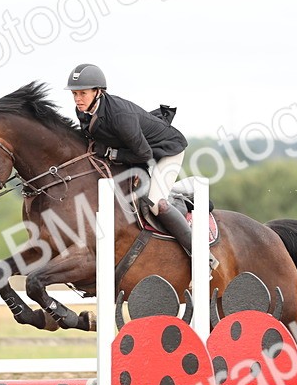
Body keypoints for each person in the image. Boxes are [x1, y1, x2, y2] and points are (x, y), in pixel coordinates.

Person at [65, 63, 204, 264]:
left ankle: (200, 255)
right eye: (74, 94)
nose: (78, 99)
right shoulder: (83, 109)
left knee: (156, 203)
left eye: (83, 94)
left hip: (166, 151)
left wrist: (113, 154)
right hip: (135, 152)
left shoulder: (120, 116)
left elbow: (144, 154)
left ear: (98, 92)